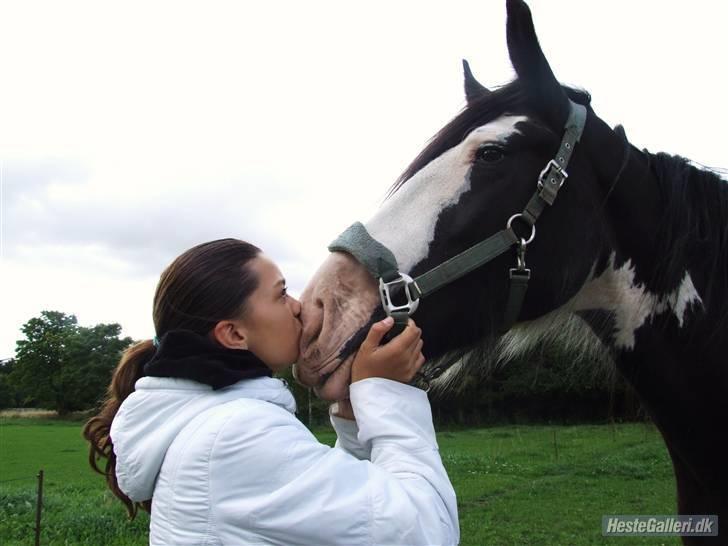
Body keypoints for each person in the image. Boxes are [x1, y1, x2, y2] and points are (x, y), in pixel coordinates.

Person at [83, 238, 459, 546]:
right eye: (281, 295)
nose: (298, 307)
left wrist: (351, 413)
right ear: (233, 334)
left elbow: (334, 507)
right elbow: (427, 530)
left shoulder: (210, 424)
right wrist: (385, 393)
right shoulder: (234, 435)